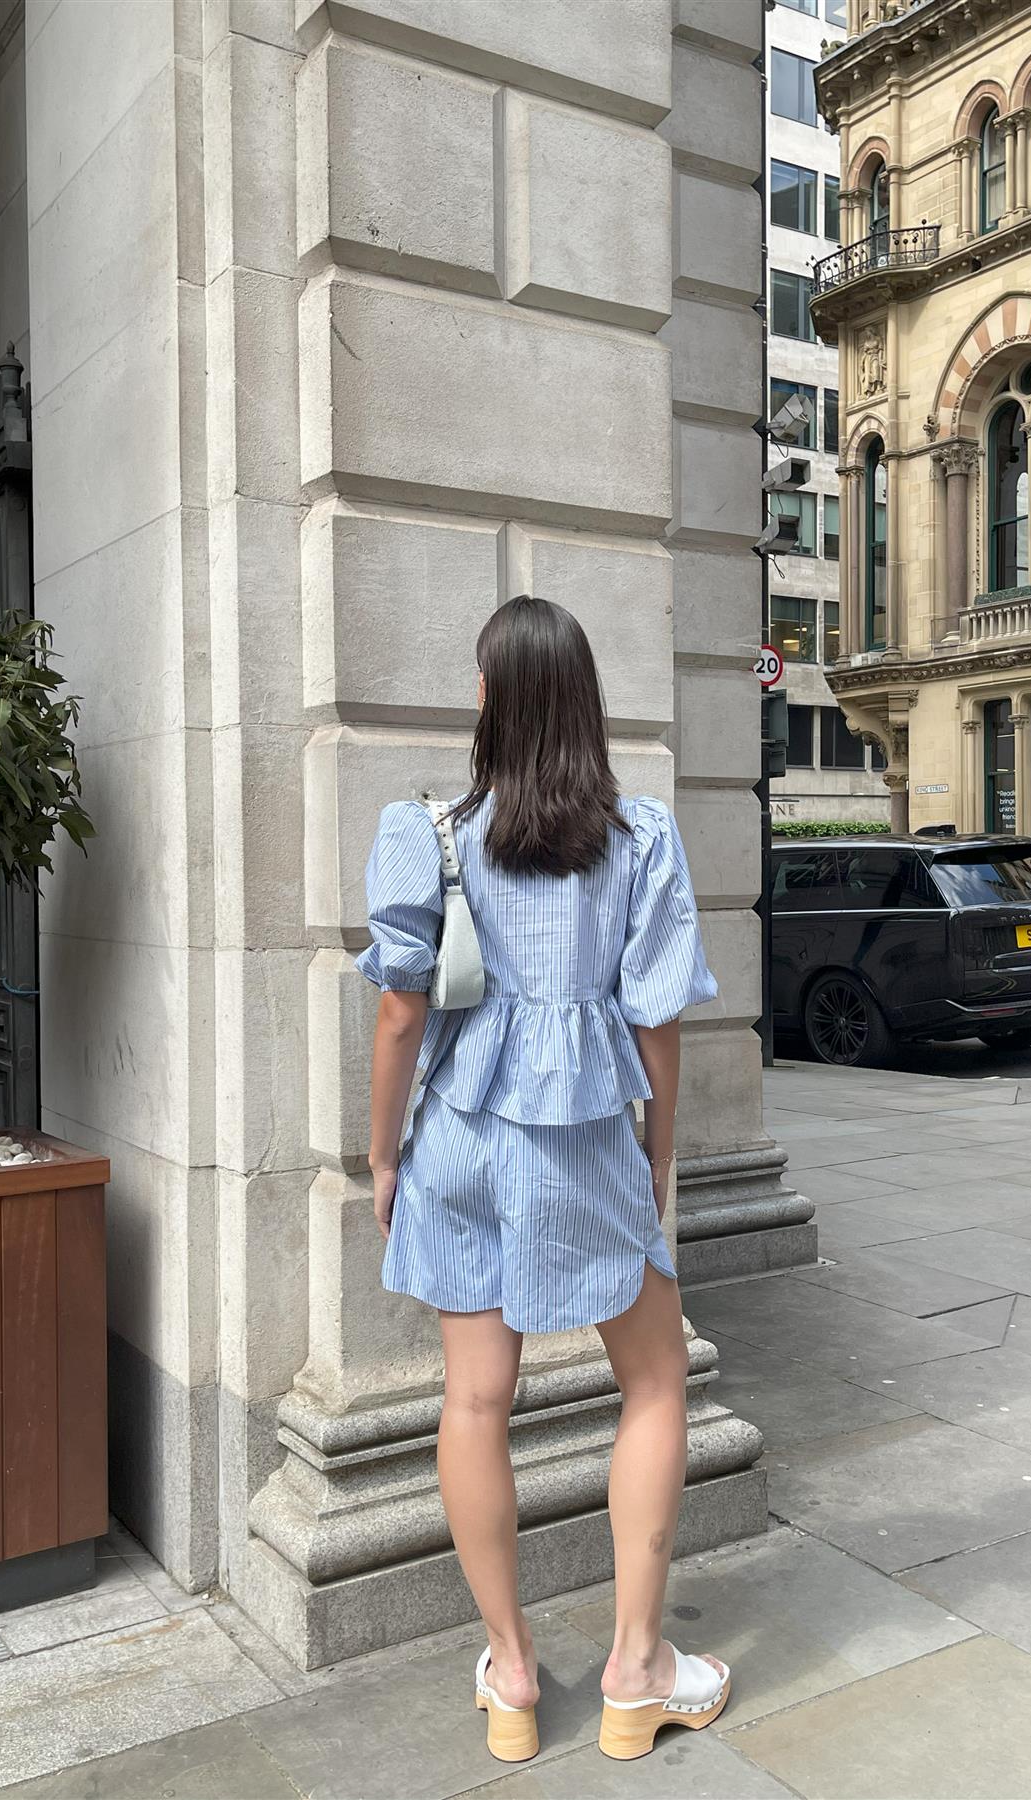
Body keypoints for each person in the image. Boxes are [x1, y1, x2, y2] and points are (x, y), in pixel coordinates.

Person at [356, 594, 729, 1764]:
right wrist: (655, 1157)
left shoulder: (428, 831)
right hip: (581, 1140)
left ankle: (512, 1677)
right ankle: (635, 1671)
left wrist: (381, 1154)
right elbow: (659, 1023)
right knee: (656, 1382)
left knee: (474, 1400)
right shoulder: (644, 837)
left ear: (489, 700)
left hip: (460, 1136)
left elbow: (400, 1012)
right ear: (584, 706)